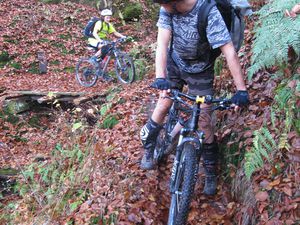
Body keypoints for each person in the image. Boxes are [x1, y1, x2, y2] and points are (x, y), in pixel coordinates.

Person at [140, 0, 249, 196]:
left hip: (201, 69)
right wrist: (160, 78)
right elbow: (162, 44)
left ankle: (210, 172)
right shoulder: (167, 8)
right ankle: (149, 148)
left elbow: (229, 51)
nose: (162, 9)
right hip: (175, 63)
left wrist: (241, 90)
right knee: (164, 102)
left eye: (164, 6)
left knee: (205, 121)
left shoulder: (208, 11)